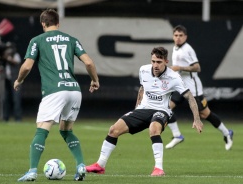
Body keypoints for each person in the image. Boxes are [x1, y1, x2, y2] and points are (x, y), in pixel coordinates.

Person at [85, 47, 203, 176]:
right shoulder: (144, 70)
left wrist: (196, 119)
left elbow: (190, 96)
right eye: (153, 61)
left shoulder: (174, 77)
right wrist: (136, 109)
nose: (155, 65)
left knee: (153, 129)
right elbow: (142, 89)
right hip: (143, 109)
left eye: (159, 62)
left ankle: (158, 168)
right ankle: (100, 165)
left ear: (166, 61)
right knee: (113, 130)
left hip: (162, 110)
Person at [14, 9, 99, 182]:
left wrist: (19, 80)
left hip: (54, 91)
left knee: (42, 129)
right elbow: (89, 62)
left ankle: (32, 171)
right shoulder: (71, 40)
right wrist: (94, 80)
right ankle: (81, 165)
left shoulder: (37, 40)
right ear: (58, 23)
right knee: (66, 130)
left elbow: (27, 66)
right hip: (74, 90)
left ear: (43, 24)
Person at [165, 25, 233, 150]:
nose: (178, 38)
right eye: (176, 35)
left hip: (193, 88)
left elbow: (197, 67)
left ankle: (226, 133)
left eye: (181, 36)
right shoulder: (175, 48)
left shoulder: (187, 49)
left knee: (204, 114)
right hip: (180, 86)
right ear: (173, 36)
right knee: (166, 107)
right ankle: (177, 135)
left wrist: (179, 68)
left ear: (185, 37)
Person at [0, 42, 22, 122]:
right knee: (5, 99)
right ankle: (5, 118)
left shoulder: (15, 55)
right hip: (7, 80)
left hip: (15, 80)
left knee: (16, 99)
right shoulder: (3, 58)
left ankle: (18, 118)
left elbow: (17, 62)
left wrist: (8, 58)